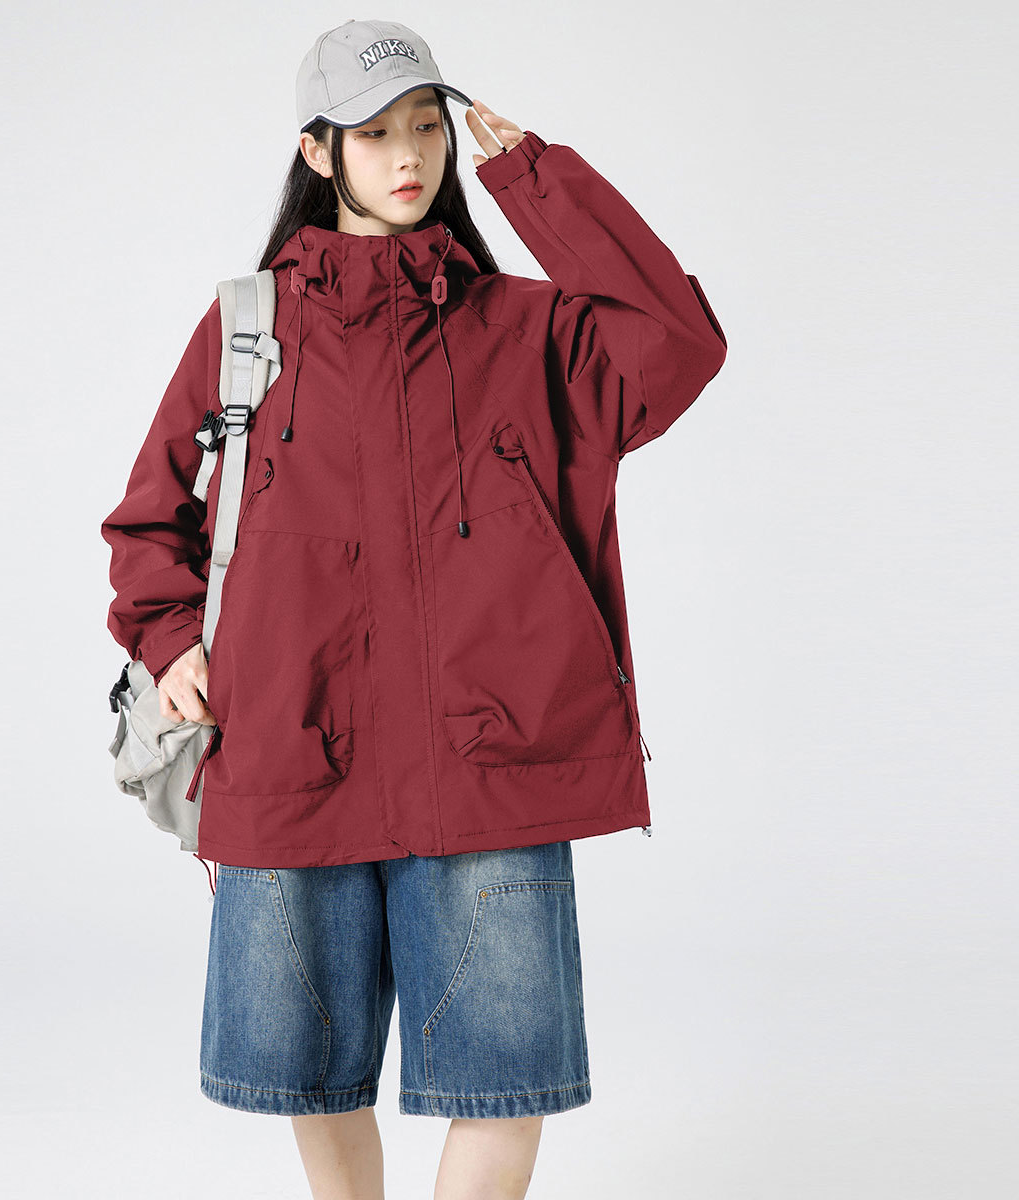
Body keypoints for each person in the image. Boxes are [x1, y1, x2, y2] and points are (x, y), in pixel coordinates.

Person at [101, 18, 727, 1200]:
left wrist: (537, 180)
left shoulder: (528, 331)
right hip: (294, 750)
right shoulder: (248, 327)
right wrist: (170, 639)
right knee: (311, 1079)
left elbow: (679, 343)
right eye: (375, 132)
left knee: (506, 1084)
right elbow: (149, 515)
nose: (408, 155)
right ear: (317, 150)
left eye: (426, 127)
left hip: (492, 763)